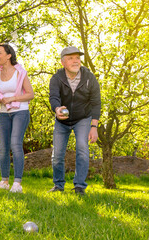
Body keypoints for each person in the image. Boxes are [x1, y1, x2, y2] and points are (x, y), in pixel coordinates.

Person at [48, 46, 101, 195]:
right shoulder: (57, 78)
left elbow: (96, 103)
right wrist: (57, 109)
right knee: (57, 154)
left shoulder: (89, 78)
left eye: (77, 58)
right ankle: (58, 185)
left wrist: (94, 126)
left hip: (82, 119)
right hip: (62, 121)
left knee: (82, 149)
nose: (75, 61)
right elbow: (54, 97)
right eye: (71, 58)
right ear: (63, 62)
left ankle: (79, 186)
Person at [0, 43, 34, 193]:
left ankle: (17, 184)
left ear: (9, 56)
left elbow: (30, 94)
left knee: (15, 144)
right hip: (4, 113)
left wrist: (12, 99)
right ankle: (4, 181)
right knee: (3, 148)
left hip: (20, 112)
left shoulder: (19, 72)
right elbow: (1, 95)